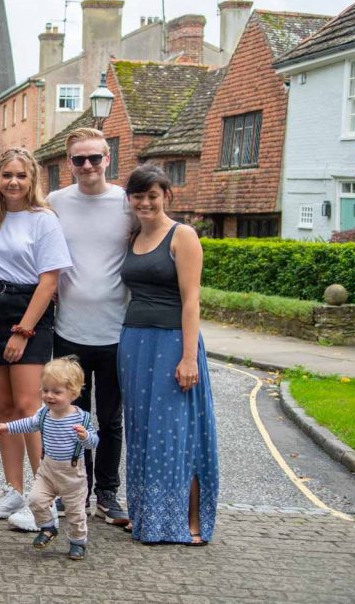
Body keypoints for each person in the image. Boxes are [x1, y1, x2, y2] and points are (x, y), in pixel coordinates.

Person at [118, 164, 219, 545]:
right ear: (130, 199)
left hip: (174, 342)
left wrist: (189, 357)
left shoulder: (183, 235)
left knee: (180, 433)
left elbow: (192, 300)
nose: (145, 202)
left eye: (152, 195)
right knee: (142, 433)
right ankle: (148, 518)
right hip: (133, 343)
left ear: (166, 197)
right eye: (138, 196)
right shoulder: (132, 236)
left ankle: (188, 521)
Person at [0, 148, 72, 531]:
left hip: (28, 310)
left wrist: (23, 331)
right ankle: (14, 490)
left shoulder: (43, 220)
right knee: (4, 409)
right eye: (7, 176)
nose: (13, 182)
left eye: (21, 175)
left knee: (29, 408)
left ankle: (43, 500)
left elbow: (50, 280)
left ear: (32, 180)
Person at [47, 127, 130, 526]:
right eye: (79, 159)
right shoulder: (55, 202)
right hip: (68, 331)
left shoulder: (127, 203)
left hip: (115, 332)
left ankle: (108, 494)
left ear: (107, 158)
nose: (87, 166)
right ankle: (73, 489)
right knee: (71, 420)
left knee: (111, 420)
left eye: (94, 158)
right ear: (69, 163)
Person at [0, 357, 98, 561]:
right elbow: (27, 424)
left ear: (73, 393)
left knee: (75, 513)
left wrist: (85, 437)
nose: (49, 396)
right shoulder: (44, 414)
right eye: (45, 390)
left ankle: (78, 542)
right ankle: (48, 527)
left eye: (57, 392)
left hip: (72, 474)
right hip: (48, 470)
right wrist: (7, 427)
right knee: (36, 500)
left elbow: (94, 443)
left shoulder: (81, 418)